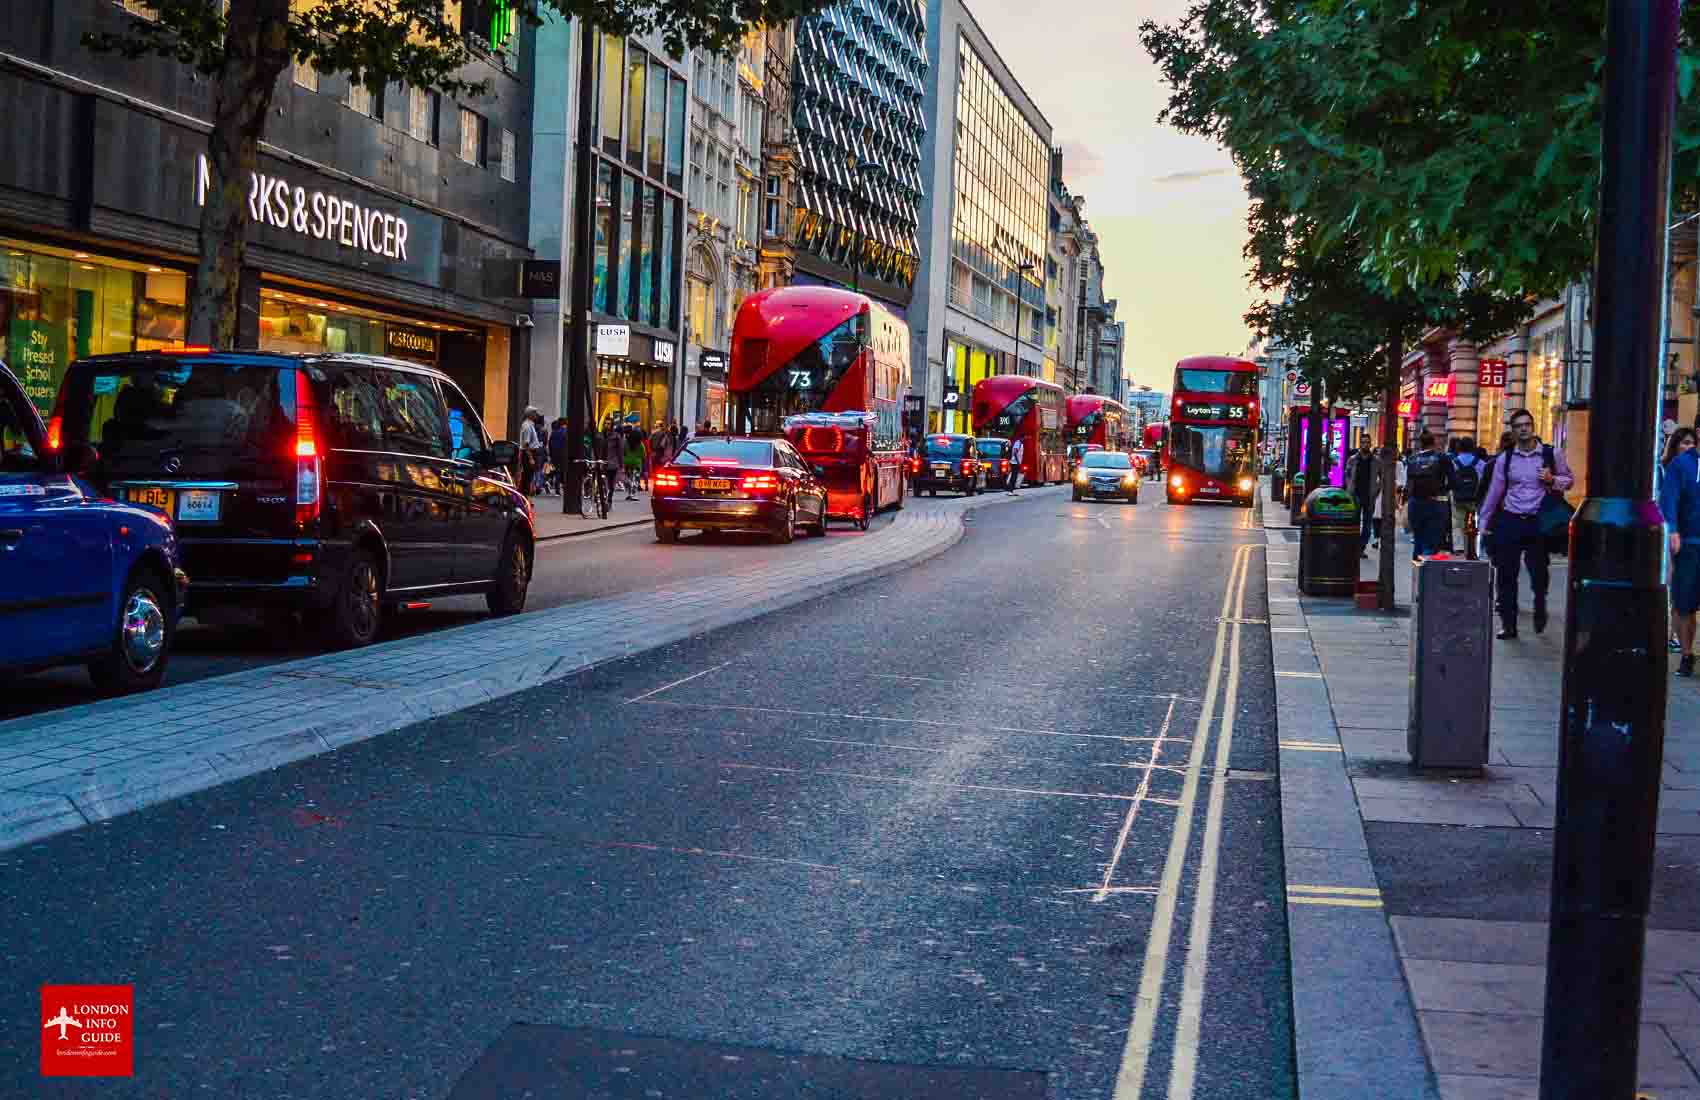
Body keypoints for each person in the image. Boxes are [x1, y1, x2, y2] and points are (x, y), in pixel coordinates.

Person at [1478, 408, 1574, 640]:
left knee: (1539, 571)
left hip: (1538, 522)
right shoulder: (1506, 458)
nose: (1523, 429)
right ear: (1513, 430)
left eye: (1527, 424)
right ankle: (1508, 624)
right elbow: (1495, 491)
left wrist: (1553, 480)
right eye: (1519, 425)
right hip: (1511, 518)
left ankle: (1540, 603)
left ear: (1533, 427)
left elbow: (1569, 480)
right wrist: (1484, 519)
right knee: (1506, 574)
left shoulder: (1551, 454)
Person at [1661, 427, 1698, 662]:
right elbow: (1670, 498)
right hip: (1690, 543)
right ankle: (1686, 654)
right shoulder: (1681, 465)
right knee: (1685, 603)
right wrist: (1673, 529)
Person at [1404, 430, 1453, 560]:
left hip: (1416, 504)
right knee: (1432, 543)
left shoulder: (1412, 459)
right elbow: (1454, 481)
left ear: (1420, 443)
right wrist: (1443, 490)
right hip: (1436, 503)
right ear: (1434, 442)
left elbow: (1408, 484)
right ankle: (1427, 575)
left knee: (1418, 540)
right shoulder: (1443, 458)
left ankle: (1417, 574)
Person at [1449, 435, 1486, 556]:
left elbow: (1449, 481)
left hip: (1458, 497)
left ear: (1459, 447)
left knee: (1457, 523)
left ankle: (1459, 548)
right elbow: (1484, 481)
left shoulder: (1453, 462)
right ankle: (1473, 548)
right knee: (1474, 522)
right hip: (1475, 499)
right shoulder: (1480, 463)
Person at [1344, 442, 1379, 558]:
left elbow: (1382, 477)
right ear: (1360, 444)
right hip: (1355, 495)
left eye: (1367, 442)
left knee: (1367, 525)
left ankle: (1361, 547)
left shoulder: (1376, 461)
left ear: (1370, 444)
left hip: (1369, 496)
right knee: (1354, 522)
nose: (1365, 445)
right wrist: (1349, 487)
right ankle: (1354, 547)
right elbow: (1347, 474)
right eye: (1363, 442)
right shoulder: (1353, 459)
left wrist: (1376, 490)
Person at [518, 407, 544, 496]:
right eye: (535, 413)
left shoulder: (529, 424)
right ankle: (524, 496)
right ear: (530, 414)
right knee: (527, 477)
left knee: (528, 476)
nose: (536, 415)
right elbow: (526, 444)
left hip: (530, 453)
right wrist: (531, 458)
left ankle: (524, 497)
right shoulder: (528, 426)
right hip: (529, 454)